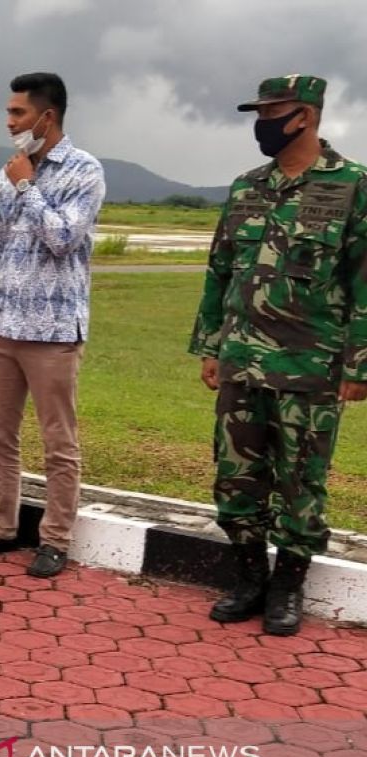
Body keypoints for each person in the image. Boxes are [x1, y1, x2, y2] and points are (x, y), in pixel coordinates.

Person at [190, 75, 367, 636]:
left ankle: (288, 585)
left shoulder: (353, 186)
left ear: (306, 116)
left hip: (311, 368)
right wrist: (212, 346)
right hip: (242, 361)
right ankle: (248, 578)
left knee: (301, 481)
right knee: (236, 476)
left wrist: (360, 366)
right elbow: (220, 271)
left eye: (273, 111)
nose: (261, 123)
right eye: (258, 112)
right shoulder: (246, 188)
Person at [0, 72, 105, 579]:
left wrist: (28, 185)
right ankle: (0, 529)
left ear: (47, 116)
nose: (9, 121)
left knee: (58, 442)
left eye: (17, 113)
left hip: (54, 332)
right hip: (2, 324)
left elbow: (62, 238)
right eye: (10, 112)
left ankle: (55, 539)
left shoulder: (84, 171)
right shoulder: (9, 171)